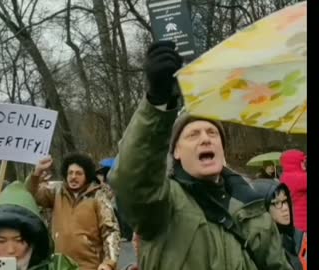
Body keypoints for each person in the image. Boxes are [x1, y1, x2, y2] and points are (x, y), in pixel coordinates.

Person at [109, 41, 292, 269]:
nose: (205, 138)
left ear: (222, 149)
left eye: (212, 133)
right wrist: (157, 102)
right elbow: (133, 178)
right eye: (193, 134)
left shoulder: (251, 204)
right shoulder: (162, 204)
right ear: (175, 151)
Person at [27, 153, 121, 270]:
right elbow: (30, 195)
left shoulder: (98, 197)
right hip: (59, 266)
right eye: (70, 173)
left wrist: (109, 263)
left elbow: (110, 231)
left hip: (90, 267)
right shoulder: (56, 193)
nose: (73, 177)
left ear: (87, 175)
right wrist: (36, 174)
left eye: (78, 173)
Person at [251, 179, 307, 270]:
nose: (285, 208)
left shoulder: (293, 237)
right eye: (276, 203)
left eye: (285, 201)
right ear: (263, 207)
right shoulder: (258, 248)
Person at [280, 150, 307, 233]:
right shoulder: (300, 177)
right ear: (295, 163)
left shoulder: (284, 176)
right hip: (303, 223)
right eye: (302, 162)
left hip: (294, 221)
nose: (304, 164)